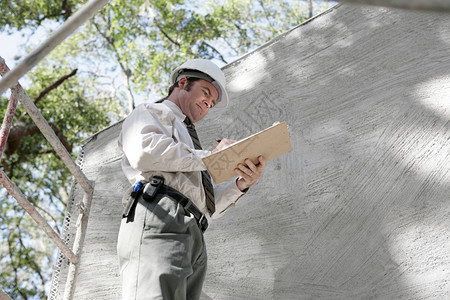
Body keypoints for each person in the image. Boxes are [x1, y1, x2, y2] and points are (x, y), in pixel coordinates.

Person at [117, 58, 267, 300]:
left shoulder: (192, 150)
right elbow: (144, 152)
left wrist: (241, 184)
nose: (207, 104)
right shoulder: (150, 112)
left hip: (194, 231)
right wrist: (210, 157)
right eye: (205, 93)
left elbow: (206, 206)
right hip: (161, 214)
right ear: (183, 82)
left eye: (211, 103)